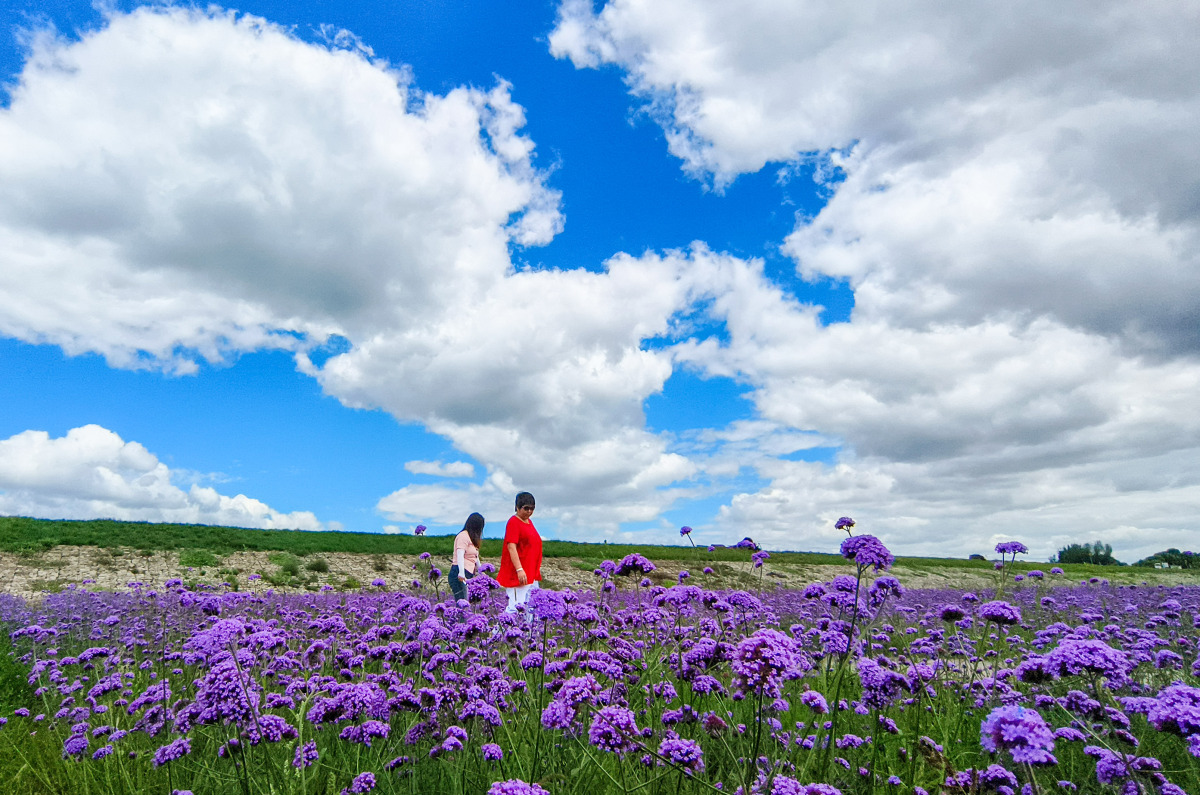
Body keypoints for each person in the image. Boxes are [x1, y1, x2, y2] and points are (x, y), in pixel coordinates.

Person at [496, 491, 542, 616]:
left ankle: (530, 635)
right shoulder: (514, 522)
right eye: (526, 508)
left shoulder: (529, 522)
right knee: (515, 608)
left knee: (533, 608)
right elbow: (511, 546)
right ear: (517, 507)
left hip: (531, 573)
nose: (529, 512)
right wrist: (519, 569)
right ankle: (497, 634)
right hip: (519, 574)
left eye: (532, 509)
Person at [449, 512, 485, 604]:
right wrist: (461, 573)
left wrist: (482, 572)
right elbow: (460, 554)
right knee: (462, 603)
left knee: (466, 602)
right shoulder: (463, 536)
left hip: (468, 574)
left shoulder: (472, 539)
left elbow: (475, 558)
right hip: (459, 572)